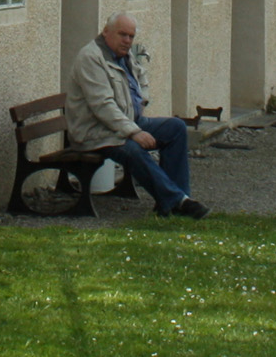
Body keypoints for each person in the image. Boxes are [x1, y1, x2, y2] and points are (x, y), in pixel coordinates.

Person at [66, 13, 209, 220]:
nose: (127, 41)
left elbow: (141, 76)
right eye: (122, 34)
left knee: (175, 128)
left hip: (127, 123)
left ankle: (179, 199)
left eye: (131, 36)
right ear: (106, 32)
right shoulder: (91, 58)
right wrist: (134, 132)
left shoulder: (123, 55)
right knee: (133, 150)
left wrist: (142, 100)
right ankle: (177, 201)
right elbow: (103, 106)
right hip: (96, 132)